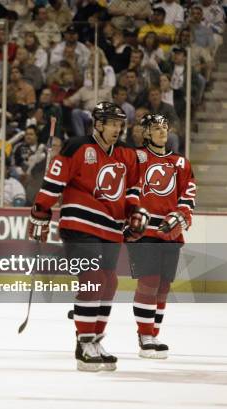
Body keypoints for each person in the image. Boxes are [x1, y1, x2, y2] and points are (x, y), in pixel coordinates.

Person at [27, 102, 148, 372]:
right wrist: (41, 210)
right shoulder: (77, 147)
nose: (116, 128)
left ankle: (95, 340)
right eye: (111, 123)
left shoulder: (127, 153)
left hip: (111, 227)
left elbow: (132, 189)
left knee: (109, 282)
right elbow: (53, 182)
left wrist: (134, 211)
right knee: (92, 279)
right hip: (79, 223)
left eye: (119, 123)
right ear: (99, 124)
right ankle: (83, 344)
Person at [129, 114, 196, 359]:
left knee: (163, 286)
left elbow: (188, 195)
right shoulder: (134, 158)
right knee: (149, 281)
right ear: (146, 132)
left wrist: (181, 215)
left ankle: (153, 334)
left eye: (165, 128)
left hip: (170, 233)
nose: (162, 132)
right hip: (143, 230)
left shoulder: (180, 163)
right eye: (156, 128)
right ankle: (145, 335)